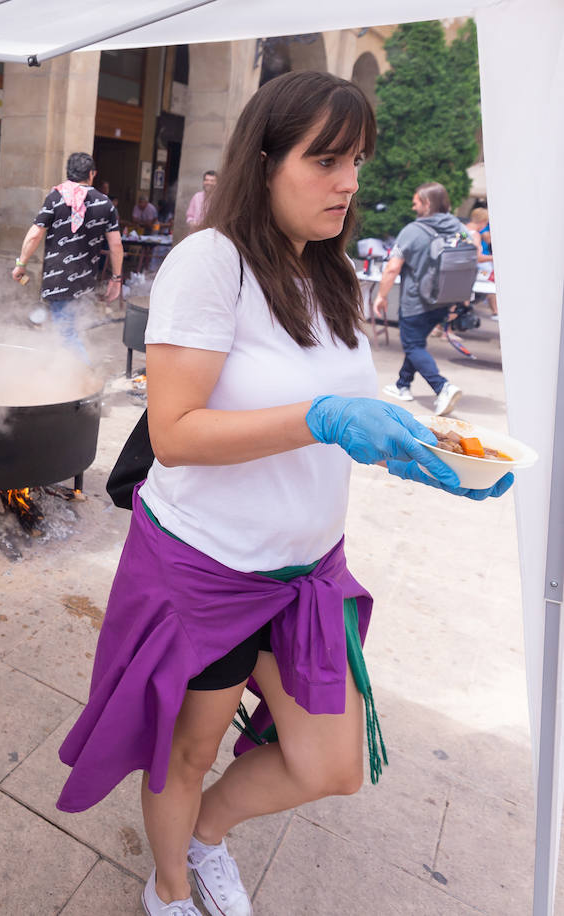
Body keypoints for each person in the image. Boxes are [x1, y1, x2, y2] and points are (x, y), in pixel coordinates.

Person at [56, 71, 513, 916]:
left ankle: (206, 837)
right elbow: (180, 430)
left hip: (306, 570)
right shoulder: (211, 262)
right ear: (265, 161)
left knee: (330, 764)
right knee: (186, 753)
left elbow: (334, 418)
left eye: (358, 161)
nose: (349, 181)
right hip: (206, 567)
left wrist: (403, 448)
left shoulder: (329, 275)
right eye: (327, 159)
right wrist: (324, 417)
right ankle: (168, 888)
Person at [374, 182, 470, 416]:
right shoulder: (458, 227)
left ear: (427, 203)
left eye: (416, 200)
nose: (412, 204)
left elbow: (392, 268)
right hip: (446, 299)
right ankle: (402, 385)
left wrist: (381, 296)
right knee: (415, 343)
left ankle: (442, 387)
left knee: (413, 345)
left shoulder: (412, 231)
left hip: (416, 301)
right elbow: (470, 257)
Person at [12, 153, 123, 352]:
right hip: (87, 281)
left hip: (59, 278)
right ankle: (65, 374)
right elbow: (116, 245)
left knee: (66, 333)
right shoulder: (105, 203)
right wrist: (116, 278)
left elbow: (34, 235)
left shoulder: (56, 197)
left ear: (68, 173)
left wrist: (21, 264)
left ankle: (85, 375)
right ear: (92, 174)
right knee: (71, 329)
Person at [463, 205, 497, 319]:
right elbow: (477, 257)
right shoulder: (475, 235)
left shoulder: (462, 229)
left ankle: (443, 329)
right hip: (469, 272)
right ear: (483, 222)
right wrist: (494, 258)